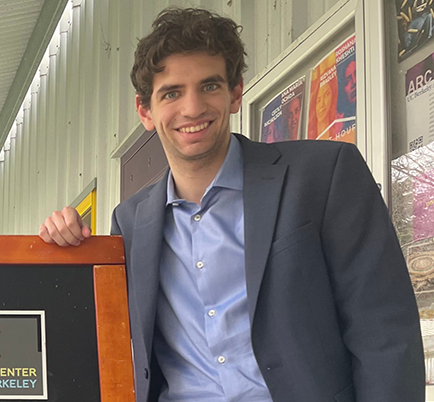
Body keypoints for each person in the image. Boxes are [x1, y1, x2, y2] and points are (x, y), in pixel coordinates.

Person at [40, 7, 423, 402]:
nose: (192, 108)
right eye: (171, 92)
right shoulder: (131, 222)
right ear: (145, 111)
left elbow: (385, 333)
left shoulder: (323, 175)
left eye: (209, 86)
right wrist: (65, 245)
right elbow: (110, 340)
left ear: (235, 93)